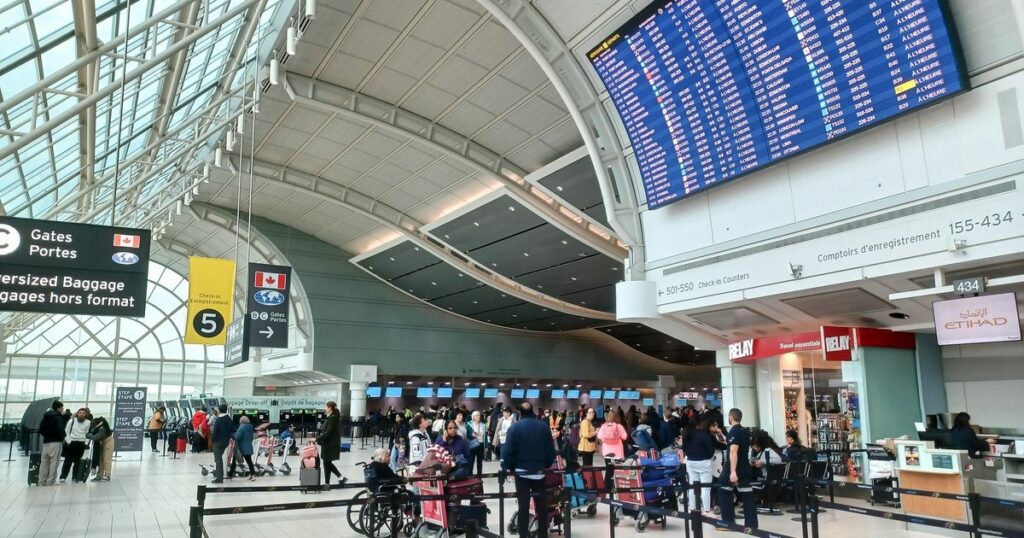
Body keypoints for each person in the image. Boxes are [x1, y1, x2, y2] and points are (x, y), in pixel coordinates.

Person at [501, 403, 556, 538]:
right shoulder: (543, 426)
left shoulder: (515, 427)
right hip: (539, 473)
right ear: (533, 411)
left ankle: (523, 535)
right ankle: (543, 534)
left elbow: (508, 451)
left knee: (523, 507)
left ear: (520, 412)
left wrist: (509, 467)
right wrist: (547, 464)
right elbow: (550, 449)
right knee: (541, 507)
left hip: (521, 473)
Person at [718, 408, 757, 530]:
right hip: (745, 467)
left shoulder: (733, 432)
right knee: (747, 495)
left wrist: (733, 471)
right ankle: (751, 525)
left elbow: (733, 452)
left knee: (724, 491)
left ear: (730, 417)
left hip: (733, 468)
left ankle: (727, 523)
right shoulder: (745, 431)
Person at [682, 416, 716, 516]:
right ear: (699, 423)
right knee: (705, 487)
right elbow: (710, 449)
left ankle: (693, 509)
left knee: (692, 486)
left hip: (691, 462)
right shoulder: (703, 434)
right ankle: (706, 510)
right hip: (703, 462)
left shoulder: (686, 433)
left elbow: (684, 448)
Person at [38, 400, 66, 486]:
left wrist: (47, 435)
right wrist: (63, 437)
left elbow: (41, 429)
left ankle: (41, 481)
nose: (62, 409)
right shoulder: (58, 417)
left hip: (46, 441)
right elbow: (60, 429)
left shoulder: (46, 417)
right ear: (58, 408)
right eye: (62, 407)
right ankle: (51, 481)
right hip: (56, 441)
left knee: (44, 462)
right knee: (54, 461)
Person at [60, 408, 91, 483]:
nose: (81, 414)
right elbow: (66, 432)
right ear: (77, 414)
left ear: (86, 414)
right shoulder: (72, 421)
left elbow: (88, 433)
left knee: (78, 461)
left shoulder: (88, 422)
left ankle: (75, 476)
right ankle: (63, 476)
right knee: (68, 461)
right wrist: (68, 441)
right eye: (80, 413)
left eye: (83, 413)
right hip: (72, 442)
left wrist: (86, 443)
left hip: (81, 443)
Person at [316, 401, 343, 485]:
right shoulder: (332, 417)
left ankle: (334, 479)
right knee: (327, 463)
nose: (325, 408)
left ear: (330, 408)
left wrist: (316, 439)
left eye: (326, 407)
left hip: (329, 445)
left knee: (326, 463)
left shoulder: (332, 418)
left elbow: (328, 432)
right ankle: (333, 480)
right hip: (329, 444)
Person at [210, 404, 233, 483]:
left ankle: (219, 477)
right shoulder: (229, 419)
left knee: (218, 459)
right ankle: (219, 473)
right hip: (225, 442)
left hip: (218, 442)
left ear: (219, 410)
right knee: (219, 458)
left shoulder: (219, 420)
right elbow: (232, 430)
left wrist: (212, 440)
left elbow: (215, 432)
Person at [87, 417, 114, 482]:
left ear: (96, 424)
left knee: (106, 459)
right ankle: (99, 476)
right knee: (101, 460)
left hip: (108, 443)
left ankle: (107, 475)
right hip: (102, 443)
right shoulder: (98, 427)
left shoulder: (102, 428)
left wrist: (87, 435)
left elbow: (95, 437)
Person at [231, 416, 257, 481]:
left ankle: (230, 474)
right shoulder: (250, 427)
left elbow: (237, 437)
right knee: (249, 462)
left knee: (234, 460)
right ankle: (252, 475)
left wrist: (232, 434)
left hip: (241, 447)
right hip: (248, 446)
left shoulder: (241, 427)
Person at [466, 410, 487, 476]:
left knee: (480, 462)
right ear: (473, 417)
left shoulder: (483, 425)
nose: (478, 416)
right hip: (473, 443)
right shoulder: (469, 424)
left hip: (480, 444)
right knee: (471, 461)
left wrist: (486, 446)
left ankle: (479, 476)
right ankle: (470, 475)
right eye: (477, 415)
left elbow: (485, 436)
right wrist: (471, 435)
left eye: (479, 415)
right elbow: (467, 435)